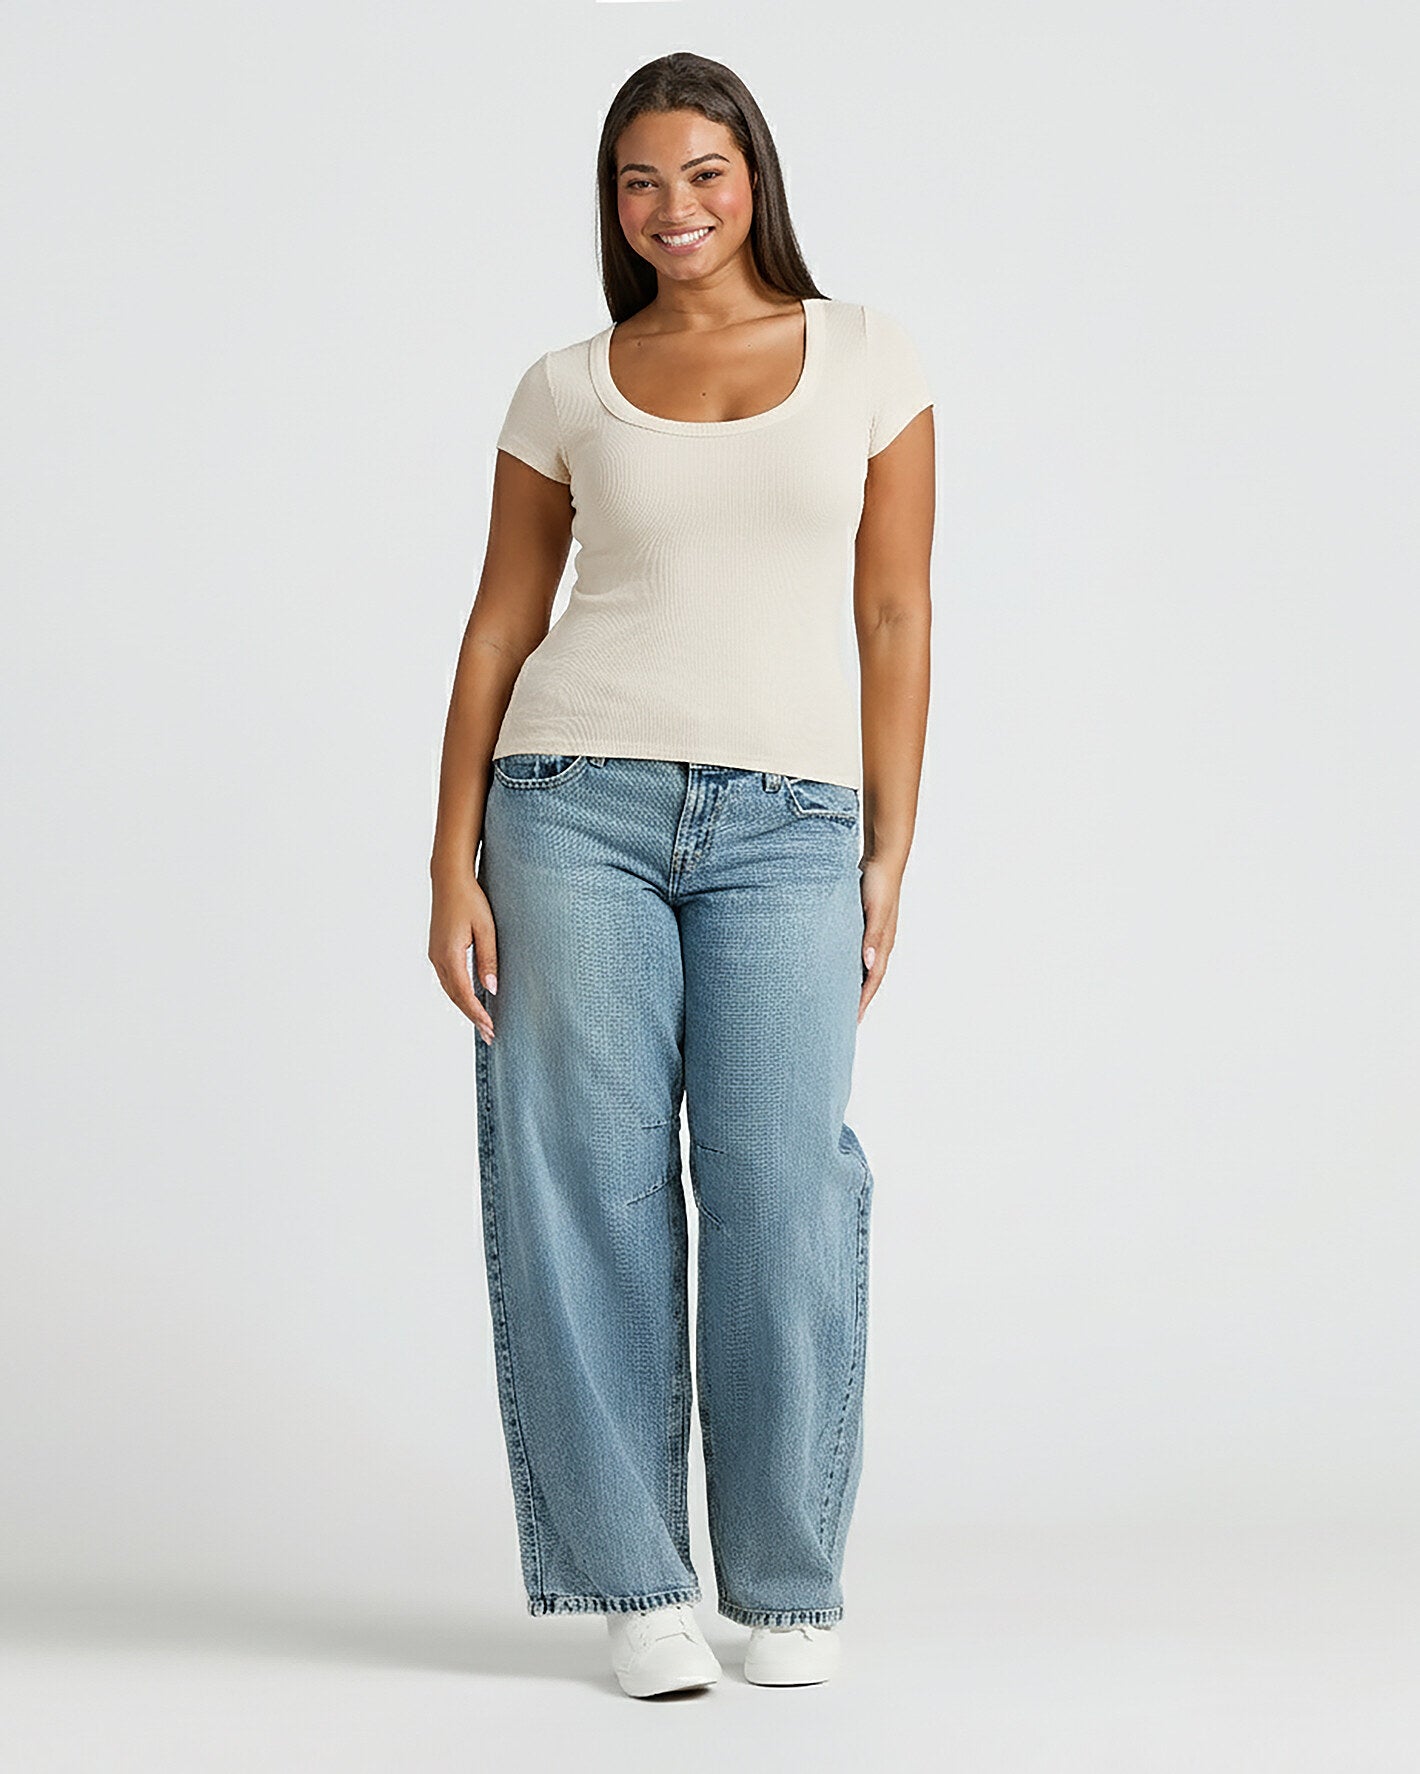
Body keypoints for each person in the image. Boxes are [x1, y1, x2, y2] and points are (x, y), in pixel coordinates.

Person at [428, 50, 934, 1700]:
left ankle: (783, 1580)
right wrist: (451, 850)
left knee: (786, 1184)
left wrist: (890, 846)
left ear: (756, 177)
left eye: (704, 174)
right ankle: (631, 1575)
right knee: (584, 1181)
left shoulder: (868, 359)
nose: (675, 209)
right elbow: (504, 620)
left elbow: (895, 616)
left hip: (795, 822)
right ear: (613, 201)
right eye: (642, 182)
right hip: (570, 802)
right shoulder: (566, 383)